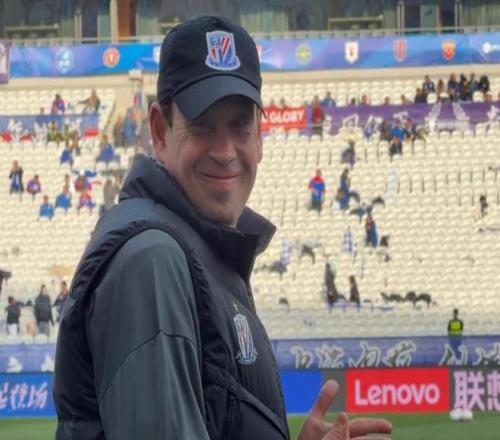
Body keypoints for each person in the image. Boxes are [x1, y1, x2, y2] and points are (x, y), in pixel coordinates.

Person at [54, 16, 392, 440]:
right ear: (159, 130)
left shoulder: (194, 247)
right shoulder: (153, 259)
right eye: (202, 125)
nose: (225, 150)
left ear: (260, 136)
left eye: (240, 125)